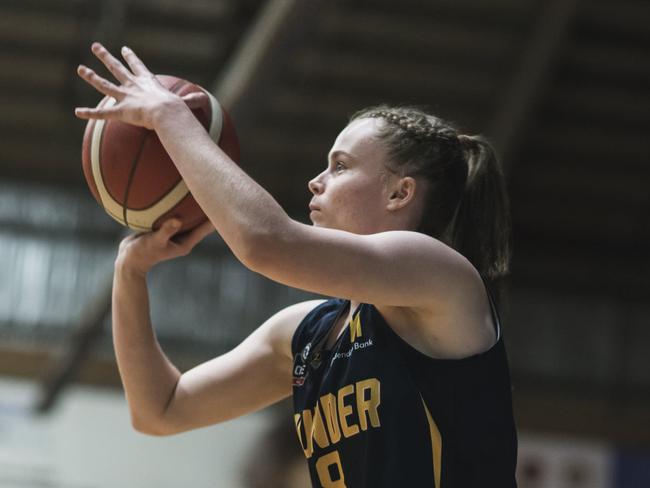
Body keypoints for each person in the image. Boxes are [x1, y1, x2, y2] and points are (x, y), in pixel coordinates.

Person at [75, 42, 518, 487]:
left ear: (400, 193)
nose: (316, 180)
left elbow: (265, 242)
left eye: (340, 166)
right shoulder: (309, 333)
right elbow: (160, 409)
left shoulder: (441, 275)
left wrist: (169, 117)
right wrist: (130, 272)